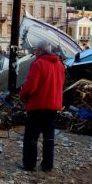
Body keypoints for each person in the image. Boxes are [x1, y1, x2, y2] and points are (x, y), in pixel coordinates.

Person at [19, 41, 65, 172]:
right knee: (49, 137)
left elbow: (30, 86)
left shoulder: (38, 63)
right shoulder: (60, 65)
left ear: (40, 50)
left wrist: (22, 95)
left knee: (31, 137)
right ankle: (47, 164)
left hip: (38, 105)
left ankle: (29, 164)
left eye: (35, 50)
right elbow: (61, 84)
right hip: (53, 105)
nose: (34, 52)